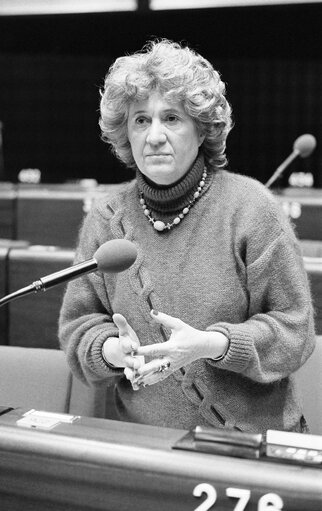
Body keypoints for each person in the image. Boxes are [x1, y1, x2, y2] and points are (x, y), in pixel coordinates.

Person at [59, 39, 315, 434]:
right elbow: (80, 324)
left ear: (202, 129)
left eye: (172, 118)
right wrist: (111, 351)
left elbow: (294, 331)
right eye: (141, 120)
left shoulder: (251, 208)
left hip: (249, 445)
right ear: (126, 134)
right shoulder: (106, 218)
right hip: (144, 444)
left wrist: (215, 344)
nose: (154, 135)